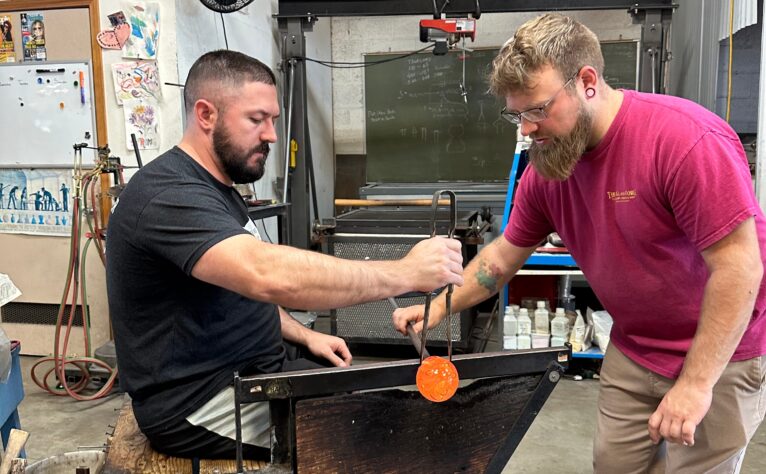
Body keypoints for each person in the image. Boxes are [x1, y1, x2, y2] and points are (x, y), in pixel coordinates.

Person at [394, 13, 766, 473]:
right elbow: (501, 259)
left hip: (719, 357)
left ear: (587, 82)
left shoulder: (683, 141)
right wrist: (439, 308)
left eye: (537, 109)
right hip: (634, 349)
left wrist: (695, 384)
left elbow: (739, 267)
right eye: (516, 114)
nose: (526, 128)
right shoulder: (549, 169)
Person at [106, 49, 464, 460]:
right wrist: (406, 273)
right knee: (376, 440)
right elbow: (266, 275)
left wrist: (304, 334)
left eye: (273, 120)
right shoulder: (167, 194)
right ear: (206, 115)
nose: (272, 135)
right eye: (257, 119)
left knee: (371, 398)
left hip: (254, 367)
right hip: (199, 401)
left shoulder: (218, 189)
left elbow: (240, 291)